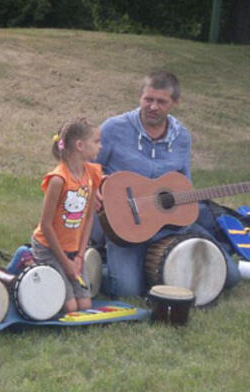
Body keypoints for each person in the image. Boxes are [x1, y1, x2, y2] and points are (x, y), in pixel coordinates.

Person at [92, 71, 241, 296]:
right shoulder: (114, 128)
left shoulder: (182, 138)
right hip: (125, 226)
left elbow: (184, 184)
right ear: (140, 97)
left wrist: (180, 202)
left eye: (161, 101)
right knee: (127, 290)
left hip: (168, 225)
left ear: (174, 102)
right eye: (148, 99)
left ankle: (144, 267)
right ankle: (94, 264)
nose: (153, 106)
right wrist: (95, 188)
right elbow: (85, 169)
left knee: (230, 277)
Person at [32, 118, 102, 312]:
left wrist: (80, 256)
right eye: (96, 141)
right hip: (48, 248)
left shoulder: (93, 174)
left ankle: (64, 271)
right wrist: (65, 262)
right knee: (71, 307)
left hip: (73, 251)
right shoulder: (58, 180)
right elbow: (46, 225)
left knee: (85, 305)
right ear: (80, 145)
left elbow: (88, 218)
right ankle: (28, 261)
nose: (100, 146)